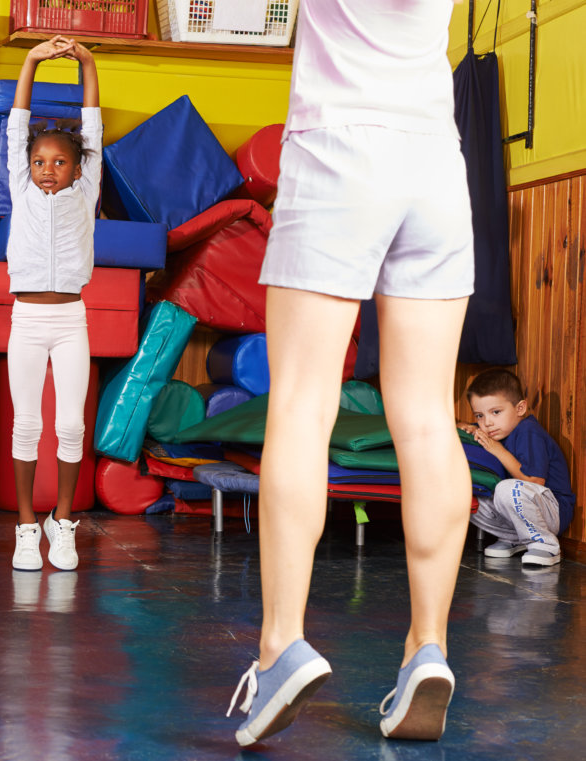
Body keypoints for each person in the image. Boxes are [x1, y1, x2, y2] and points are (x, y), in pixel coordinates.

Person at [226, 0, 474, 745]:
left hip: (341, 146)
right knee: (428, 416)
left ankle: (281, 646)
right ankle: (426, 645)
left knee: (302, 404)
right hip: (434, 161)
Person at [6, 36, 100, 572]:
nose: (47, 169)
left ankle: (61, 523)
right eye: (39, 161)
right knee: (26, 426)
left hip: (70, 321)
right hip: (27, 319)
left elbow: (92, 128)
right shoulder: (20, 188)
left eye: (59, 162)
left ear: (76, 168)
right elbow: (17, 124)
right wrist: (31, 61)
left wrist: (86, 63)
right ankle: (25, 525)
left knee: (69, 426)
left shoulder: (85, 192)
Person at [462, 368, 573, 566]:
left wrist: (497, 450)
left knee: (507, 488)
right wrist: (469, 427)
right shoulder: (497, 431)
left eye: (496, 412)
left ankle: (546, 544)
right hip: (518, 509)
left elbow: (534, 481)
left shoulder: (528, 431)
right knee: (463, 492)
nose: (487, 423)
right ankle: (514, 538)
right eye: (479, 415)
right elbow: (466, 425)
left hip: (552, 511)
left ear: (520, 409)